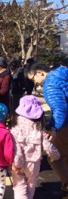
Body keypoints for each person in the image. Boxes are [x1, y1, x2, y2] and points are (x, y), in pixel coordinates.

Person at [25, 62, 68, 192]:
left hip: (65, 125)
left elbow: (60, 109)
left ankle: (66, 184)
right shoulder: (63, 74)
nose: (36, 83)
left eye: (34, 79)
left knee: (54, 157)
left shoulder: (50, 84)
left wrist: (54, 128)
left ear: (40, 72)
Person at [10, 95, 60, 199]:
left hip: (17, 162)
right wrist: (55, 156)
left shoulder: (14, 129)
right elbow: (49, 147)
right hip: (33, 163)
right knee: (31, 185)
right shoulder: (38, 131)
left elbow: (15, 148)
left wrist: (16, 163)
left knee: (19, 186)